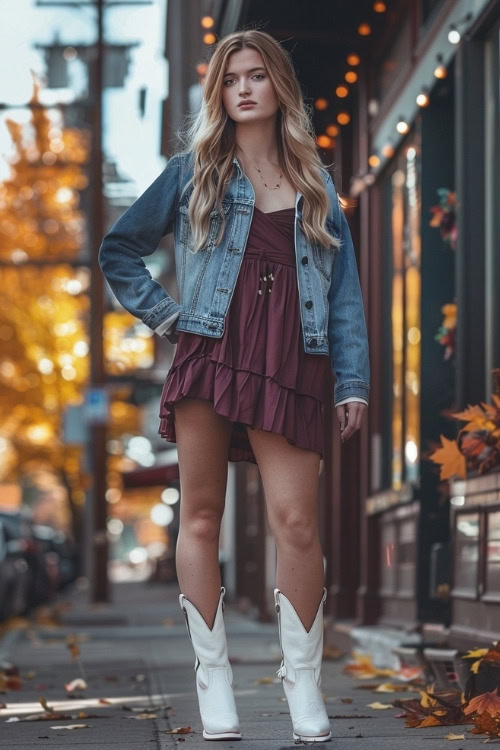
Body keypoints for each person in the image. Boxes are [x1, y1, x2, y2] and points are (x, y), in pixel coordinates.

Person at [99, 28, 369, 744]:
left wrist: (353, 380)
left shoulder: (315, 180)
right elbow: (119, 248)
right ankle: (212, 678)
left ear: (278, 84)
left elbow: (344, 292)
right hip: (211, 354)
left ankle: (301, 682)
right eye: (230, 78)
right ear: (220, 92)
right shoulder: (194, 171)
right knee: (201, 517)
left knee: (298, 523)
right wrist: (165, 315)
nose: (244, 88)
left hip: (294, 360)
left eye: (256, 75)